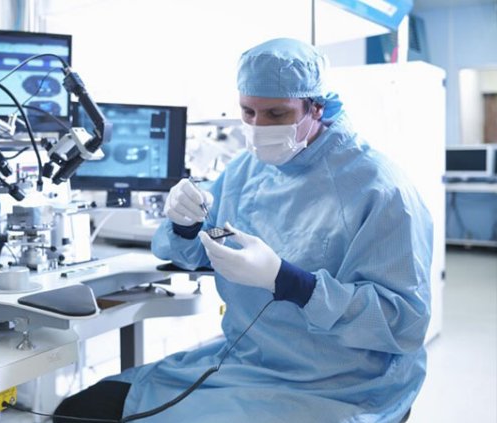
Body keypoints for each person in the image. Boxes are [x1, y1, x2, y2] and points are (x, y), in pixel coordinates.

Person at [54, 38, 432, 423]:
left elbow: (403, 323)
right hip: (244, 360)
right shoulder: (244, 170)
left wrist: (293, 282)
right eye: (248, 111)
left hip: (339, 383)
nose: (257, 127)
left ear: (315, 107)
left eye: (276, 114)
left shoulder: (381, 190)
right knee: (77, 413)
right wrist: (186, 227)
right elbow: (205, 248)